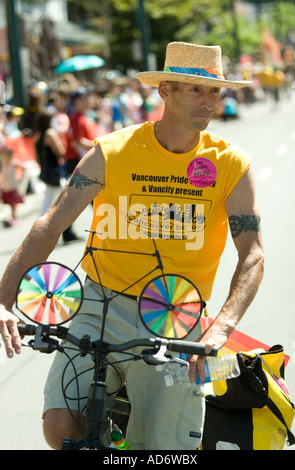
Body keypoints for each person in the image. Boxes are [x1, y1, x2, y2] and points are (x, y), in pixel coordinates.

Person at [0, 42, 264, 450]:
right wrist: (3, 300)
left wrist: (221, 328)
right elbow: (50, 224)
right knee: (61, 428)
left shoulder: (231, 163)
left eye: (215, 91)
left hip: (176, 314)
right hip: (99, 303)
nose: (209, 101)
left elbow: (253, 254)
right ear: (165, 91)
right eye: (195, 89)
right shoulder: (112, 152)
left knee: (161, 451)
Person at [62, 87, 95, 243]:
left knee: (89, 197)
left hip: (78, 162)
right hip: (78, 163)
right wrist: (99, 144)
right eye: (85, 98)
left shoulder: (79, 117)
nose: (88, 101)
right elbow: (77, 142)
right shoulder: (77, 118)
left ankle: (107, 228)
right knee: (77, 200)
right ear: (77, 101)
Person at [34, 108, 66, 216]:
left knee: (49, 200)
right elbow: (61, 152)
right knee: (63, 200)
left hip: (46, 172)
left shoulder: (37, 135)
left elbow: (37, 158)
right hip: (54, 171)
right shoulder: (50, 134)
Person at [0, 146, 24, 226]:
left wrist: (21, 178)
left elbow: (23, 167)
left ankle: (14, 218)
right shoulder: (2, 164)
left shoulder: (13, 162)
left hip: (12, 186)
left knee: (12, 204)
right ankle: (13, 217)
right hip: (5, 187)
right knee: (10, 205)